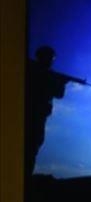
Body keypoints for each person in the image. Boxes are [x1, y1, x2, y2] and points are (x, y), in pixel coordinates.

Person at [25, 46, 69, 176]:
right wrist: (62, 84)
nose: (51, 61)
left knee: (31, 146)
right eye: (51, 58)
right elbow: (59, 94)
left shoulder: (33, 69)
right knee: (32, 146)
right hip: (36, 114)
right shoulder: (43, 73)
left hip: (35, 113)